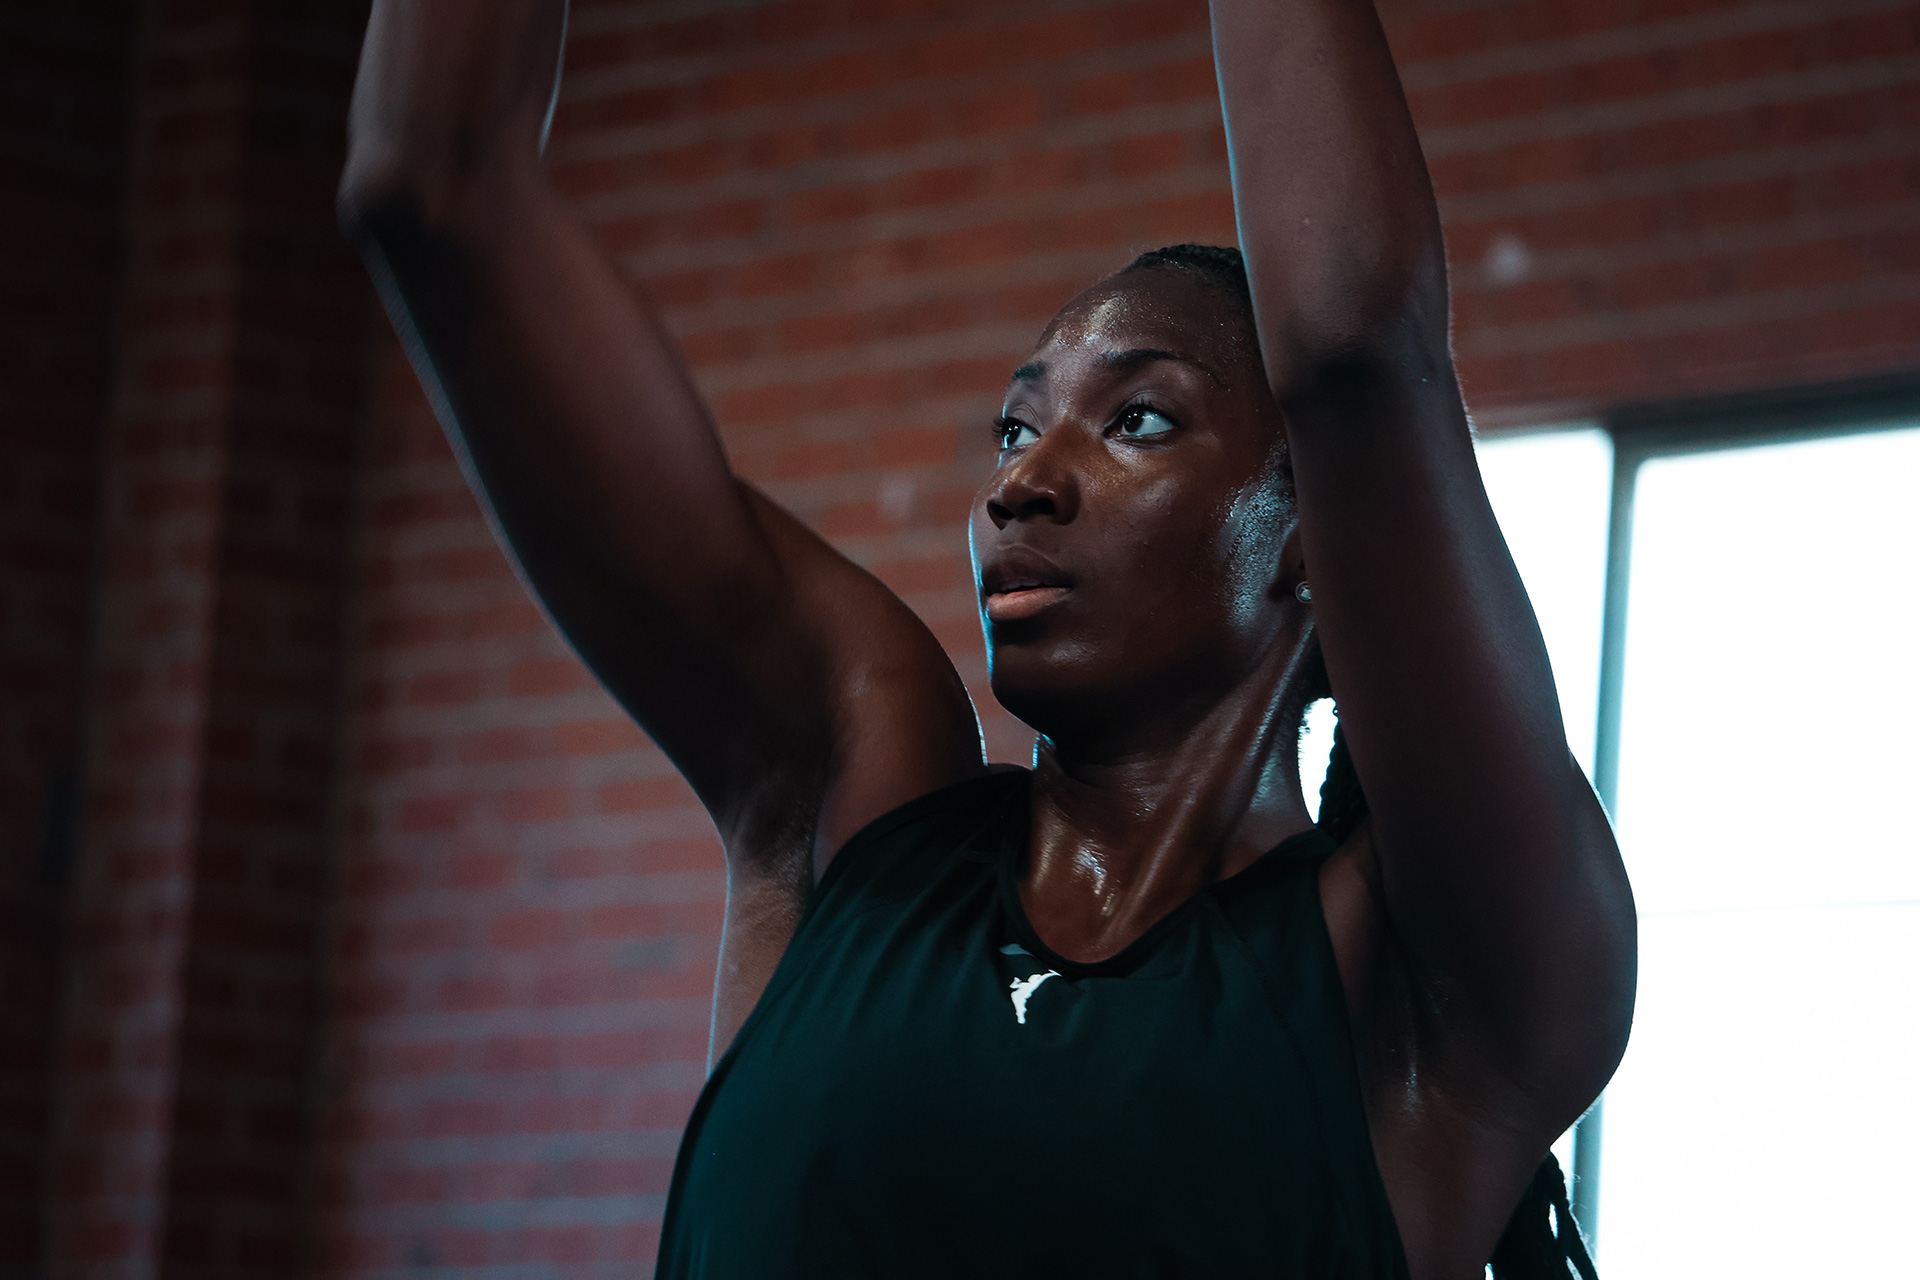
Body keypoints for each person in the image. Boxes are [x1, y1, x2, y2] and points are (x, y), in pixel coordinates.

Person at [339, 0, 1637, 1275]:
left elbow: (1354, 345)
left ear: (1314, 533)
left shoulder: (1429, 989)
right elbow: (432, 190)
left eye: (1138, 422)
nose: (1022, 484)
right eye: (1017, 429)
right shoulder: (858, 803)